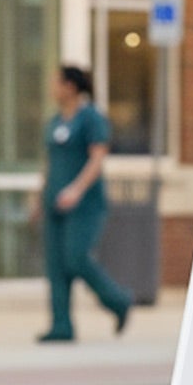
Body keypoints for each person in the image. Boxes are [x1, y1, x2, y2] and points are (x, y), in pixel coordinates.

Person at [33, 64, 132, 342]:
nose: (52, 88)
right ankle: (61, 325)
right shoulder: (55, 121)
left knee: (76, 258)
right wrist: (40, 197)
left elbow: (97, 158)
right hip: (54, 202)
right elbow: (50, 163)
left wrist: (76, 190)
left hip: (84, 204)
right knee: (56, 265)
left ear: (70, 87)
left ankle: (118, 300)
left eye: (56, 82)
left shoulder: (90, 118)